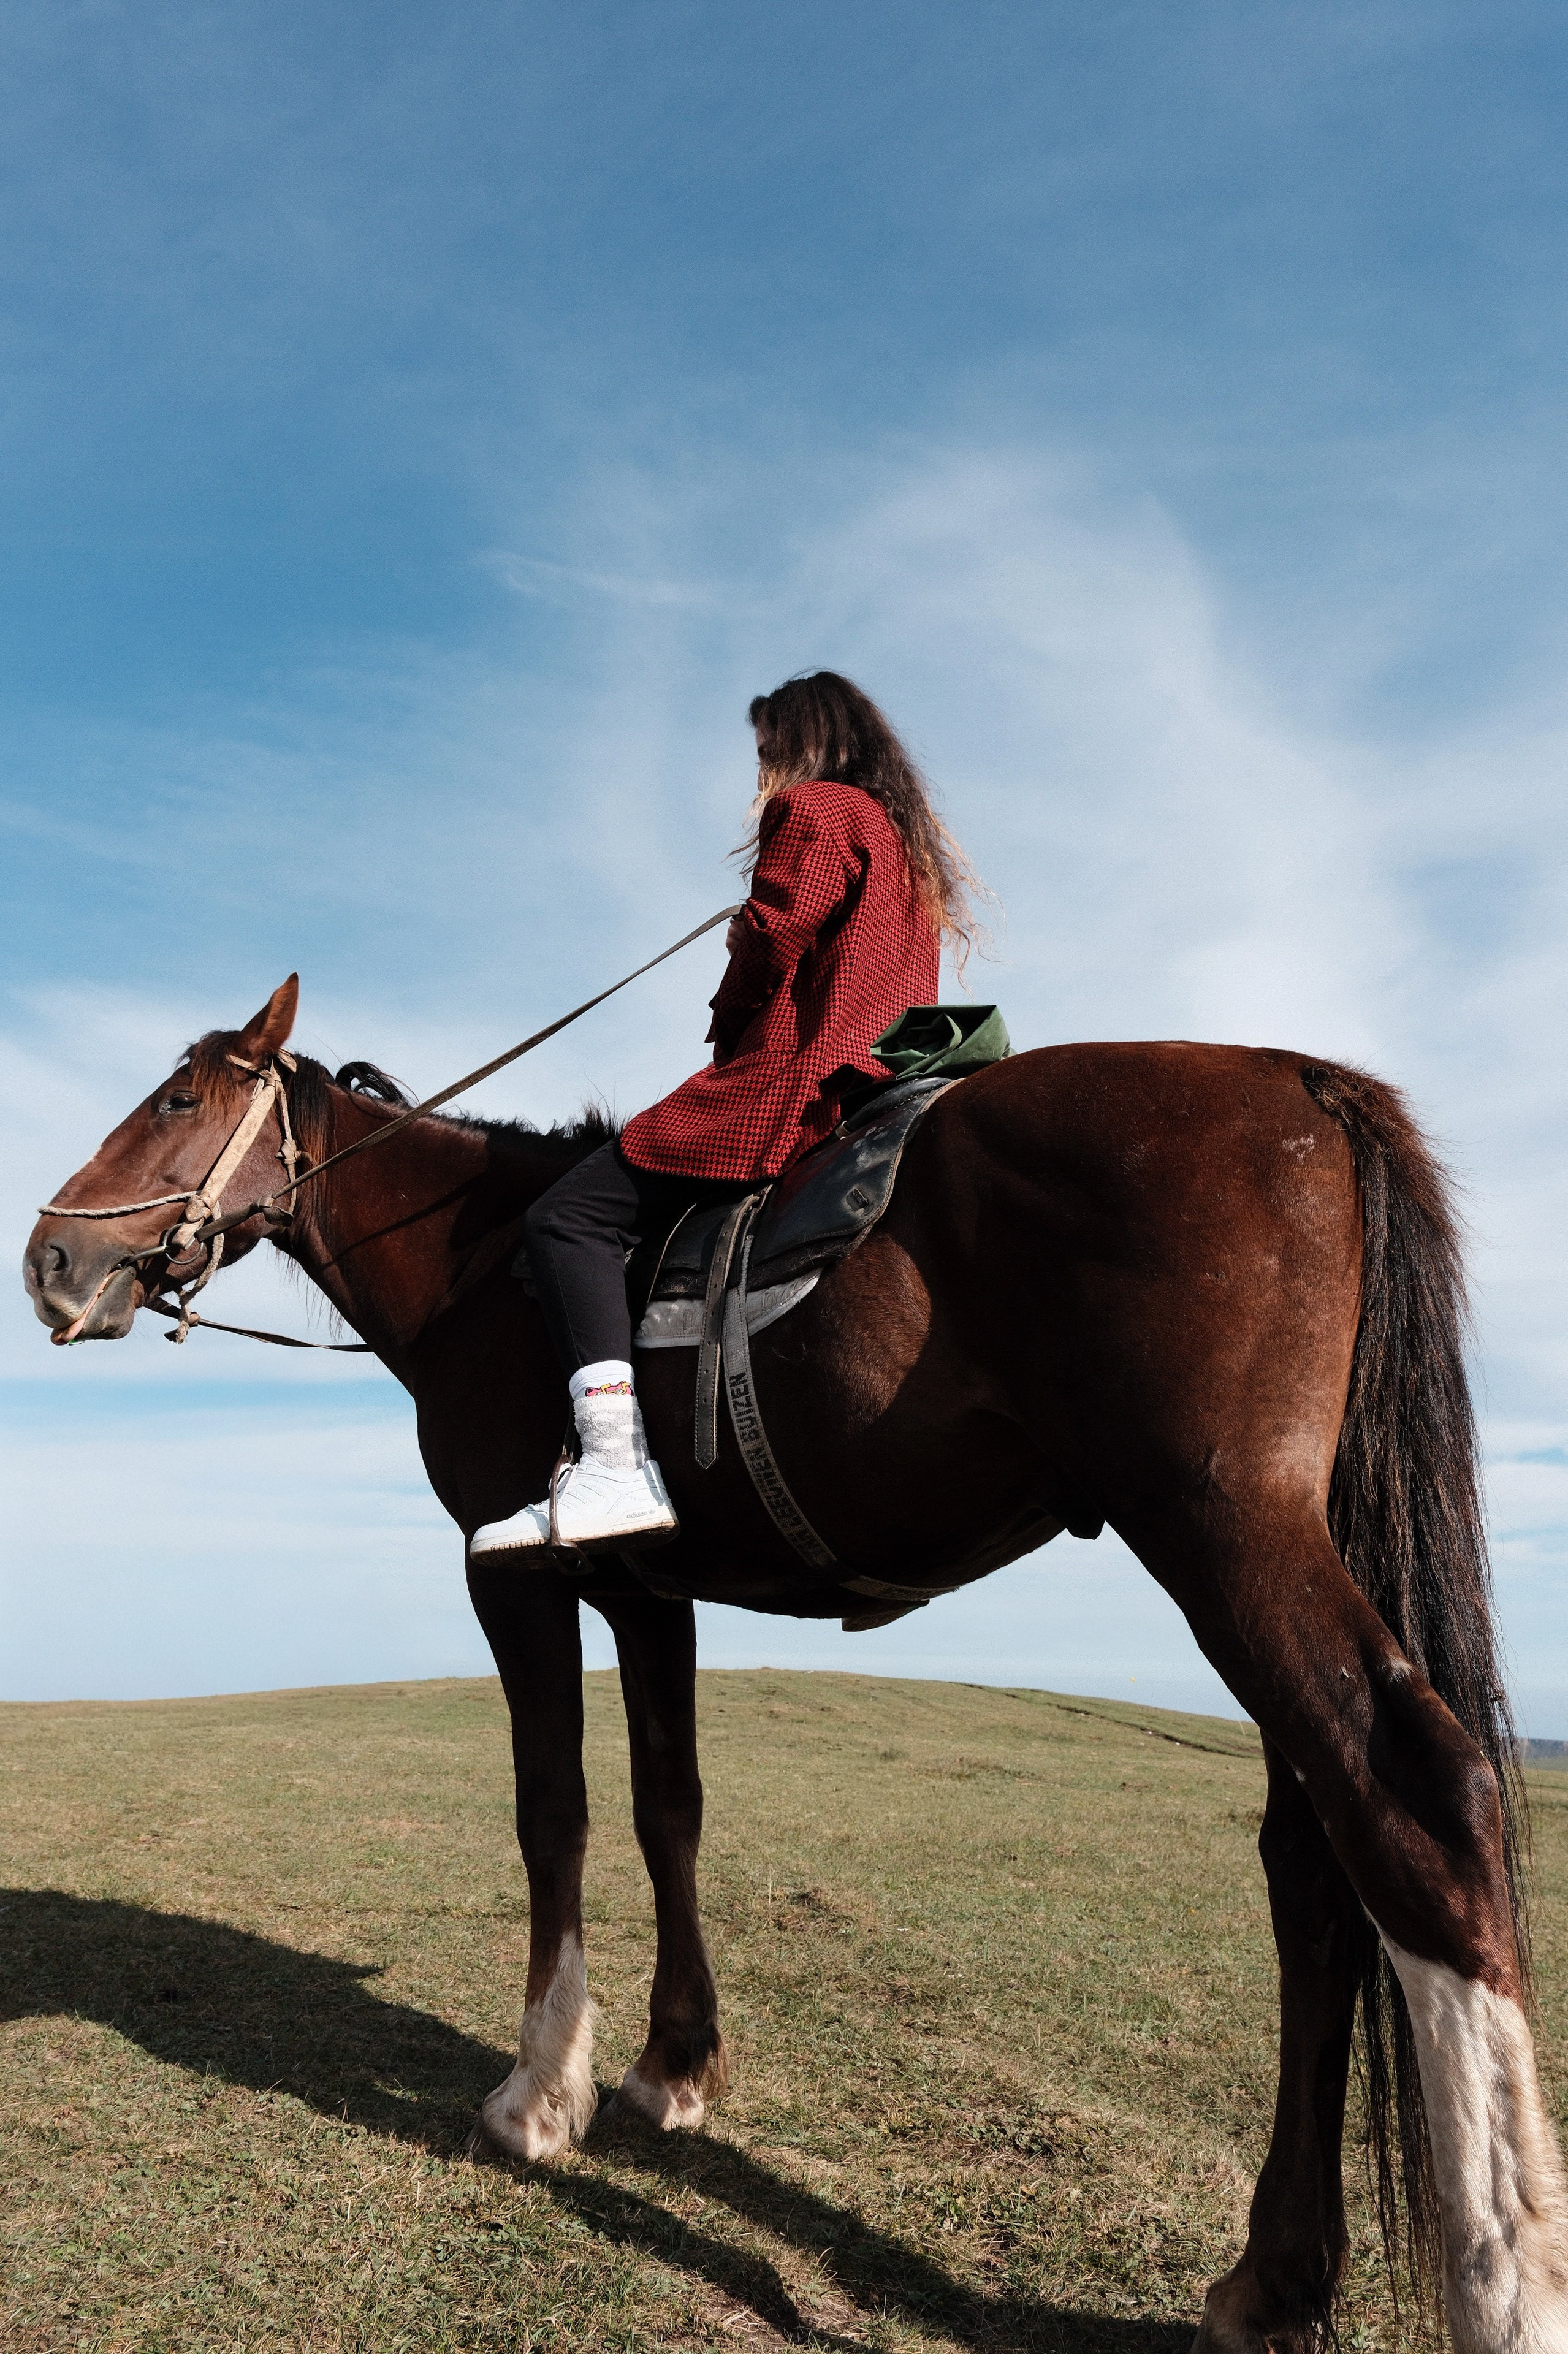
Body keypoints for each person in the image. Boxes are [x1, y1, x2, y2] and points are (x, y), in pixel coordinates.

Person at [470, 670, 980, 1557]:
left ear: (802, 741)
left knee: (568, 1217)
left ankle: (614, 1466)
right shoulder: (902, 845)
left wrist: (739, 959)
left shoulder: (814, 810)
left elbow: (778, 935)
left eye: (766, 748)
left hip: (798, 1076)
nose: (762, 769)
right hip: (881, 1076)